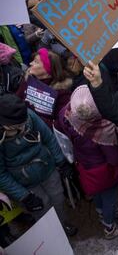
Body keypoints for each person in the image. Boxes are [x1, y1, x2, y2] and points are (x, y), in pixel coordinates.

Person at [57, 85, 118, 239]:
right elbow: (113, 158)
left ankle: (100, 211)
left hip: (84, 164)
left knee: (97, 192)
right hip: (104, 171)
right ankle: (109, 227)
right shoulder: (103, 129)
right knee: (109, 198)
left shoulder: (66, 114)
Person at [0, 94, 76, 236]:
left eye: (23, 124)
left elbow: (48, 137)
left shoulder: (28, 116)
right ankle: (52, 234)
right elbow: (1, 175)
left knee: (58, 197)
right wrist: (24, 196)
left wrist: (61, 161)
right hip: (25, 183)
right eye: (17, 126)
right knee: (43, 206)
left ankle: (63, 223)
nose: (23, 128)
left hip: (47, 168)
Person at [15, 48, 72, 128]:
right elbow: (17, 101)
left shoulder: (62, 93)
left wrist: (35, 120)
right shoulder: (28, 80)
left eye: (36, 62)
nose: (30, 63)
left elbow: (61, 123)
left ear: (47, 68)